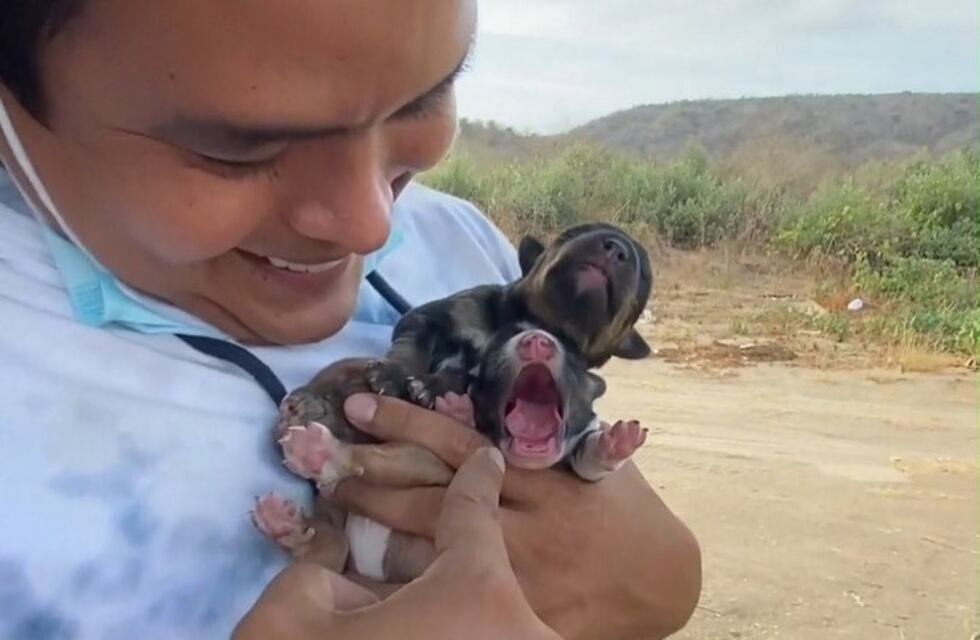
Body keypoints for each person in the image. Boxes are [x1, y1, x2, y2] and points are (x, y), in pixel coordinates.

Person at [0, 1, 702, 639]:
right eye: (237, 150)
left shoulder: (460, 247)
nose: (370, 222)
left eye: (424, 98)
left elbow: (622, 557)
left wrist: (662, 579)